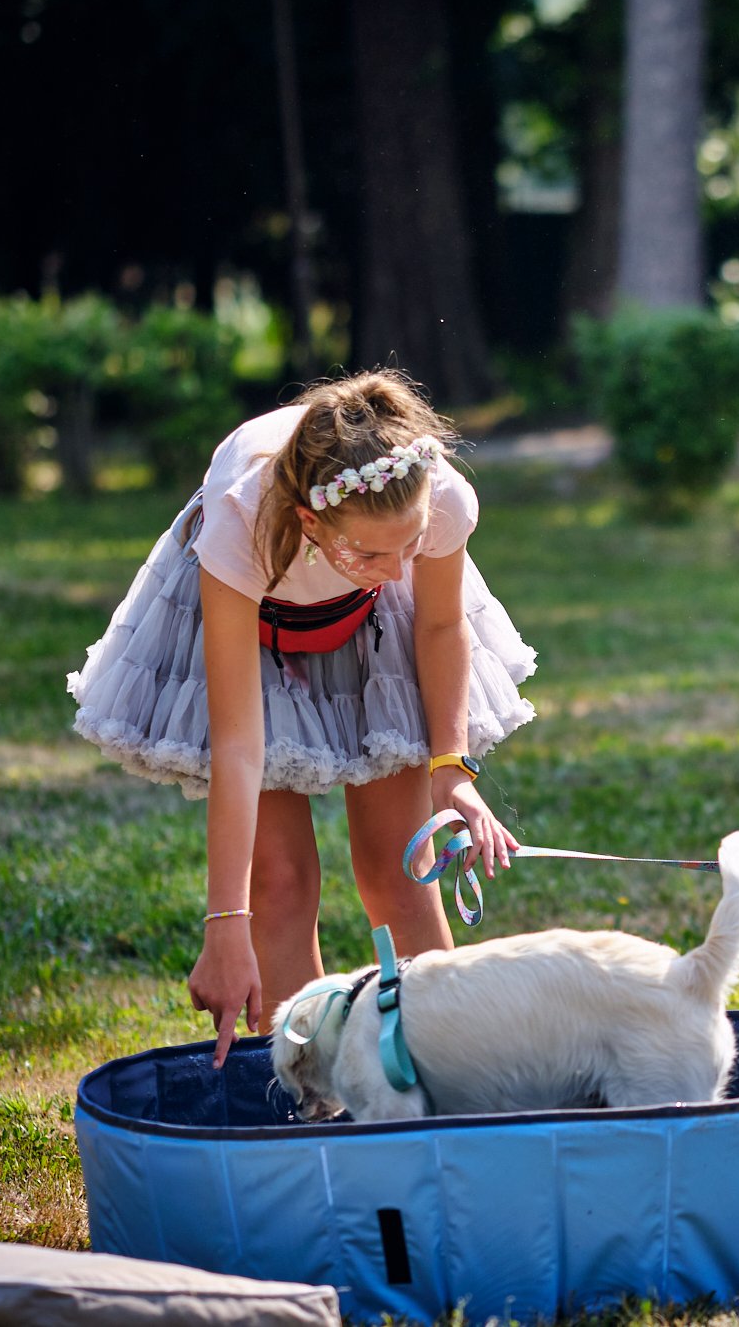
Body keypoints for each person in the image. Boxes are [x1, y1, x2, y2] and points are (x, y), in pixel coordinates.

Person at [69, 371, 536, 1065]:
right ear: (313, 521)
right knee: (281, 881)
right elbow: (236, 744)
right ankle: (312, 1100)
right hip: (257, 628)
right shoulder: (244, 520)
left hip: (374, 628)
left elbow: (437, 626)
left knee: (400, 868)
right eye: (375, 552)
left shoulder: (427, 501)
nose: (400, 565)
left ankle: (457, 1081)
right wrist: (226, 925)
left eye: (410, 546)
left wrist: (451, 769)